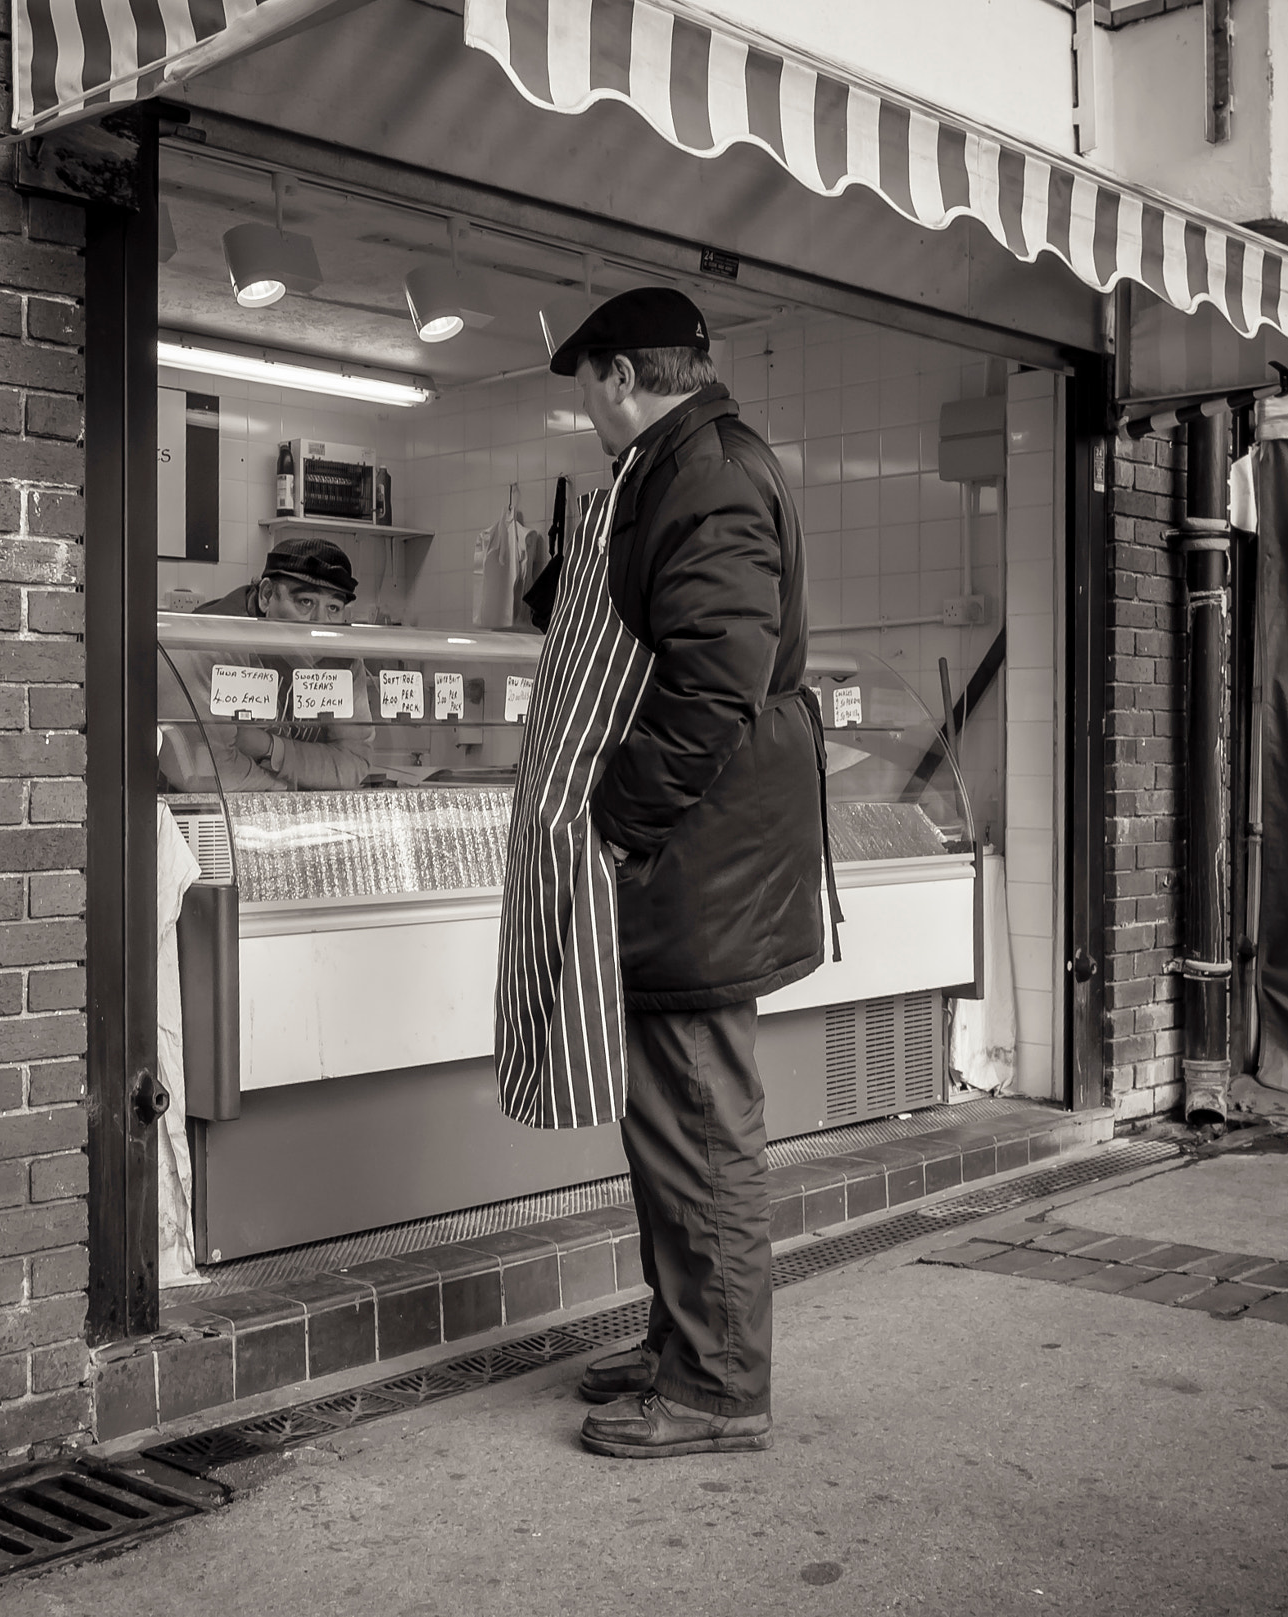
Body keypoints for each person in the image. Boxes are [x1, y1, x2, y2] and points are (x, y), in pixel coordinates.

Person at [493, 287, 830, 1460]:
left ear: (622, 376)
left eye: (583, 384)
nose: (582, 408)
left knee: (695, 1116)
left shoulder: (708, 471)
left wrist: (619, 820)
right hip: (680, 853)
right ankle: (681, 1338)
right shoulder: (667, 468)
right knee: (664, 1121)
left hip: (692, 854)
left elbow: (713, 678)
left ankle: (717, 1388)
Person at [158, 536, 375, 792]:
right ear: (266, 595)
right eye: (305, 602)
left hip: (278, 814)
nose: (320, 623)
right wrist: (287, 792)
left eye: (334, 608)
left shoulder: (342, 659)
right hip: (198, 819)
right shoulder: (210, 642)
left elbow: (353, 763)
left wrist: (269, 748)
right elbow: (206, 771)